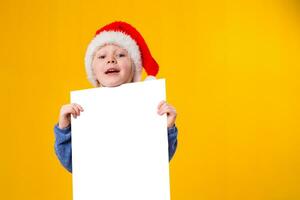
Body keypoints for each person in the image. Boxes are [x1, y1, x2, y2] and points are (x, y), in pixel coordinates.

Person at [53, 21, 178, 173]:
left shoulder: (148, 108)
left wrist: (167, 128)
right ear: (93, 71)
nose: (111, 60)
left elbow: (157, 162)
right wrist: (64, 129)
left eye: (120, 54)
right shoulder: (84, 112)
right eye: (102, 56)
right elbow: (73, 164)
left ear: (134, 67)